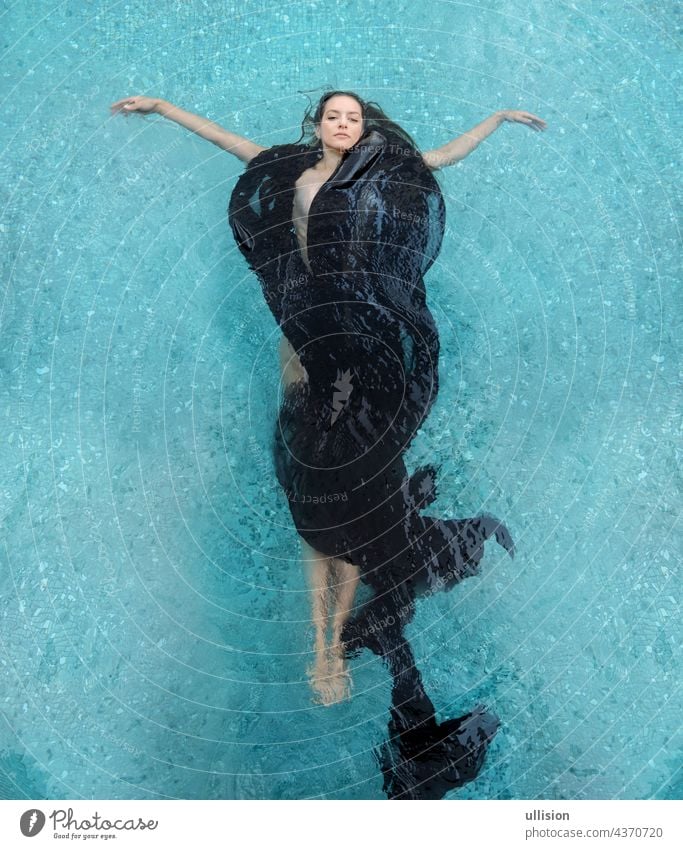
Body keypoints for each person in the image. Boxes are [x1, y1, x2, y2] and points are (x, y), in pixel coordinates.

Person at [111, 90, 545, 798]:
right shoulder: (288, 171)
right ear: (316, 124)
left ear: (364, 128)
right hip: (308, 346)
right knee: (322, 496)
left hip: (361, 343)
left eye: (354, 119)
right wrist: (162, 109)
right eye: (333, 117)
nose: (344, 127)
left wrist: (494, 121)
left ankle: (332, 650)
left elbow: (437, 161)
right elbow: (230, 142)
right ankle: (329, 650)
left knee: (340, 495)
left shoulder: (381, 171)